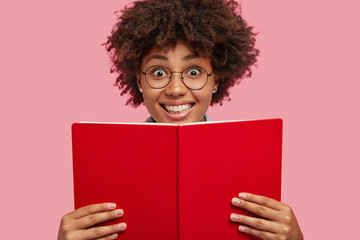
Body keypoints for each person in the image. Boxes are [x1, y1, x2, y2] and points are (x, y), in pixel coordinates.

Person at [58, 0, 303, 239]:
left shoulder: (255, 157)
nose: (175, 89)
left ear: (215, 80)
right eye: (158, 72)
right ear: (140, 81)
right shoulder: (99, 161)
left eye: (194, 72)